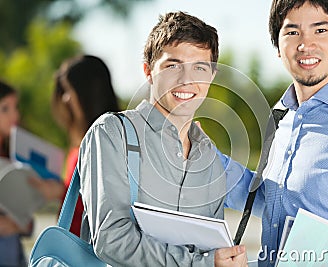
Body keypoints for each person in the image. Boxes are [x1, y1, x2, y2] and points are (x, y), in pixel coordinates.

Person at [218, 0, 328, 266]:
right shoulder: (282, 118)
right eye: (292, 32)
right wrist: (200, 155)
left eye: (320, 30)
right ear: (278, 47)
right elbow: (273, 200)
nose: (305, 44)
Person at [77, 11, 247, 266]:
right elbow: (110, 239)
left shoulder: (210, 157)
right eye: (172, 66)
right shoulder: (113, 133)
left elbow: (208, 246)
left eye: (199, 67)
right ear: (148, 71)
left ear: (211, 76)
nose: (186, 80)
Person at [30, 55, 120, 237]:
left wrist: (60, 192)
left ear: (88, 93)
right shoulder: (78, 146)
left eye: (68, 90)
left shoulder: (110, 143)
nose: (65, 99)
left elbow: (109, 205)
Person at [0, 80, 31, 266]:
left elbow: (26, 220)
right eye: (5, 108)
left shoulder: (14, 157)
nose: (14, 114)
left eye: (15, 107)